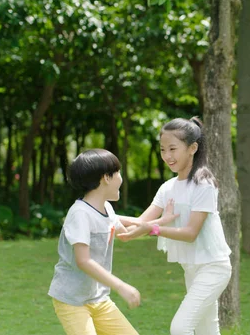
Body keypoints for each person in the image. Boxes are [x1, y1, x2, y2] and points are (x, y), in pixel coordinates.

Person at [117, 117, 232, 335]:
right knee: (207, 330)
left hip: (213, 267)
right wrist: (104, 217)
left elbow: (190, 233)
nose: (167, 156)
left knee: (180, 328)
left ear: (192, 148)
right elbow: (141, 222)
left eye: (172, 149)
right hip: (191, 268)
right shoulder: (167, 187)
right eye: (162, 150)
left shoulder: (203, 184)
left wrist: (152, 229)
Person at [48, 148, 175, 335]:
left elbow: (128, 232)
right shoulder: (80, 214)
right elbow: (83, 261)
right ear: (106, 178)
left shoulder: (106, 208)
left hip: (98, 299)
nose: (121, 178)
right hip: (71, 300)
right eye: (118, 173)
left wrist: (161, 222)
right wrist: (120, 286)